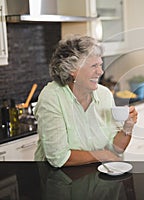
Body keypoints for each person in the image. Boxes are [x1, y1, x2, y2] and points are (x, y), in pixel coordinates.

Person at [34, 35, 138, 167]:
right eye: (94, 66)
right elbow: (59, 158)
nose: (100, 72)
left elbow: (116, 149)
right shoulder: (51, 98)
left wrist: (127, 128)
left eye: (100, 65)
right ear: (72, 70)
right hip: (60, 181)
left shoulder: (104, 94)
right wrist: (102, 155)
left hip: (98, 179)